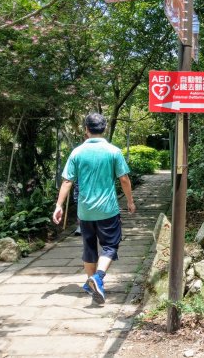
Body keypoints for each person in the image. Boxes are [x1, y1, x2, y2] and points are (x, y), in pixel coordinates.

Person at [52, 113, 136, 304]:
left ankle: (93, 286)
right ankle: (97, 278)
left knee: (89, 247)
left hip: (85, 211)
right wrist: (130, 201)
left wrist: (59, 206)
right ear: (104, 128)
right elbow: (124, 179)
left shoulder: (77, 152)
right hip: (108, 210)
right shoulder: (114, 151)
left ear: (86, 129)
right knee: (110, 245)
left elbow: (67, 181)